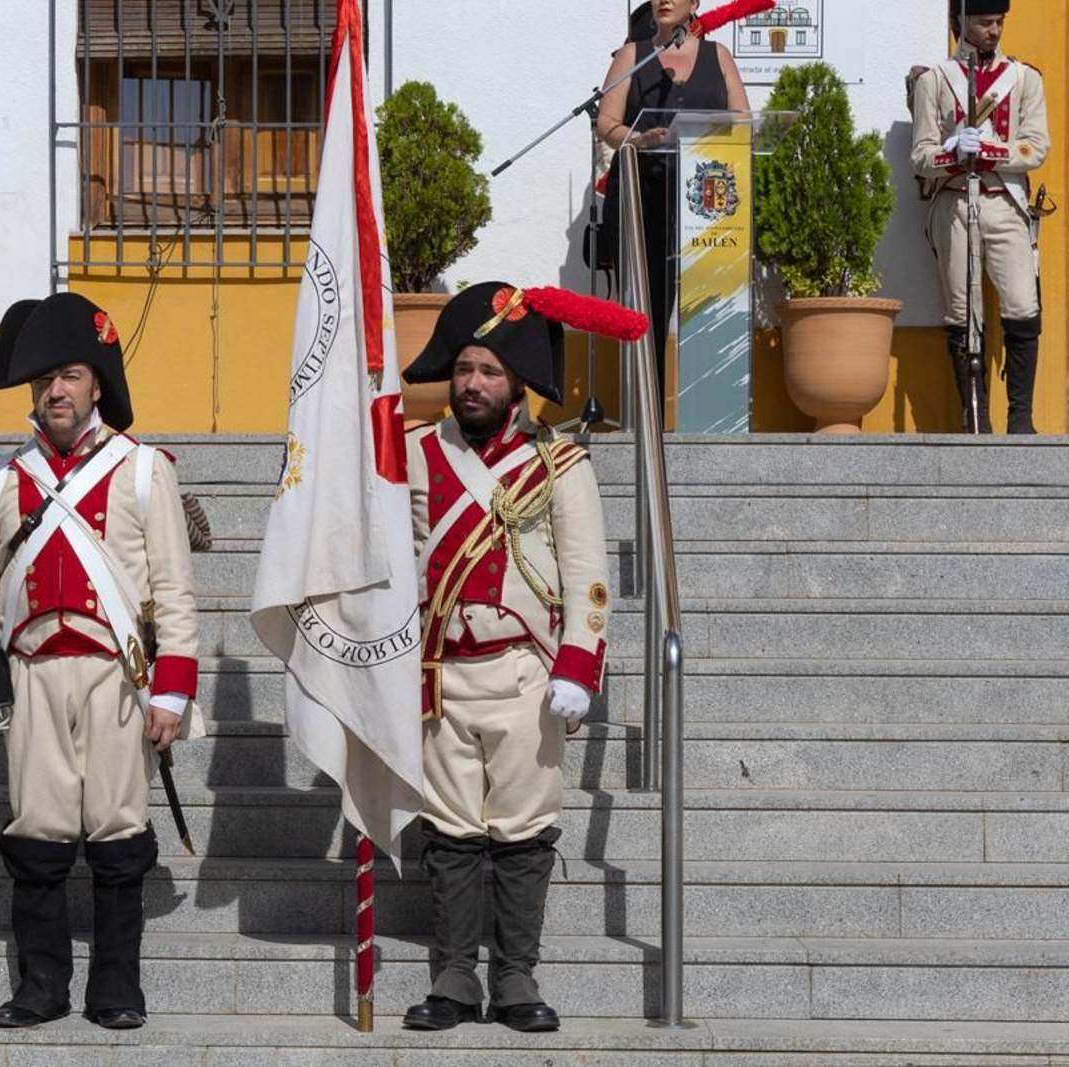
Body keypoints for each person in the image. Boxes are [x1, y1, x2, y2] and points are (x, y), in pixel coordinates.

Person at [0, 293, 201, 1031]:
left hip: (118, 677)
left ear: (96, 384)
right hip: (34, 673)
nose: (57, 389)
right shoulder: (0, 479)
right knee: (36, 835)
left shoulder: (144, 471)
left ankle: (117, 988)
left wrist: (171, 691)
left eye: (71, 374)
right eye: (46, 377)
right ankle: (41, 986)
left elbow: (174, 590)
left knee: (118, 836)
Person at [399, 283, 635, 1033]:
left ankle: (516, 975)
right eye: (464, 368)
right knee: (451, 832)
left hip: (527, 673)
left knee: (523, 831)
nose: (472, 383)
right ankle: (454, 977)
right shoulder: (413, 454)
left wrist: (579, 663)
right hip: (440, 673)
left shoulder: (559, 464)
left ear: (517, 383)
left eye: (489, 371)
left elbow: (588, 574)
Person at [910, 0, 1049, 434]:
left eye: (999, 22)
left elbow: (1035, 147)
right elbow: (920, 156)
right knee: (962, 313)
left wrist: (988, 151)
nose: (994, 30)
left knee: (1023, 306)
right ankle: (976, 419)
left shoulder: (1024, 78)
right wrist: (950, 152)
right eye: (985, 22)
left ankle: (1021, 418)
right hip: (955, 203)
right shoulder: (934, 81)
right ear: (961, 22)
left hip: (1005, 204)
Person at [597, 0, 749, 396]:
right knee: (650, 304)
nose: (664, 0)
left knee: (707, 304)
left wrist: (709, 133)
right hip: (643, 193)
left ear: (695, 4)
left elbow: (744, 120)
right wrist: (638, 139)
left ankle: (710, 408)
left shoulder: (719, 57)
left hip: (707, 202)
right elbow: (606, 123)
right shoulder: (632, 56)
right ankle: (647, 412)